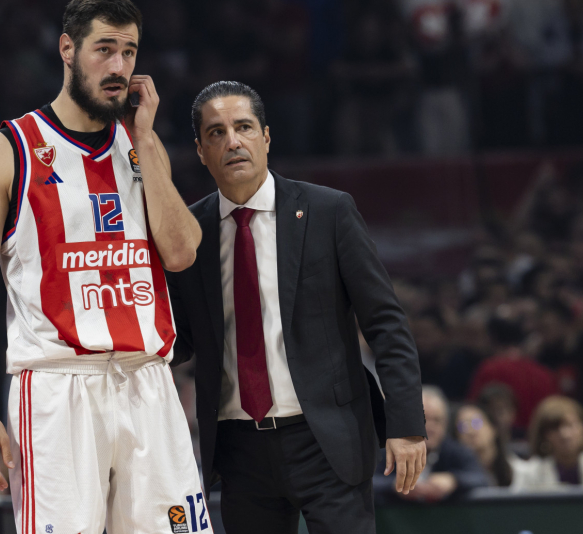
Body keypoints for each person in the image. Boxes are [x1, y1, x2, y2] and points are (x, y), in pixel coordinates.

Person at [0, 1, 205, 533]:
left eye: (129, 52)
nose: (118, 66)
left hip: (147, 379)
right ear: (67, 49)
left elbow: (182, 252)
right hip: (56, 385)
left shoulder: (142, 144)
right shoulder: (6, 150)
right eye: (104, 49)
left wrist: (145, 140)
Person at [165, 80, 426, 534]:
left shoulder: (329, 211)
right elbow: (180, 337)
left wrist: (406, 425)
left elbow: (386, 323)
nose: (233, 141)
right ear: (201, 151)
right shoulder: (189, 231)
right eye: (216, 133)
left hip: (327, 439)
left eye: (244, 127)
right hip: (238, 449)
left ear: (266, 137)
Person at [374, 387, 489, 503]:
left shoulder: (456, 451)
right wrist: (395, 485)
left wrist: (453, 481)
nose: (430, 427)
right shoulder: (390, 450)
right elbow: (369, 482)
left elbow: (482, 479)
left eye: (437, 420)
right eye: (423, 419)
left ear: (445, 425)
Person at [516, 395, 583, 490]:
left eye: (570, 425)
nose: (565, 435)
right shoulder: (531, 474)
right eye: (555, 428)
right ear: (543, 435)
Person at [452, 403, 523, 487]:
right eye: (463, 426)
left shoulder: (521, 472)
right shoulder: (455, 478)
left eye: (476, 423)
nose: (471, 431)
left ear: (493, 428)